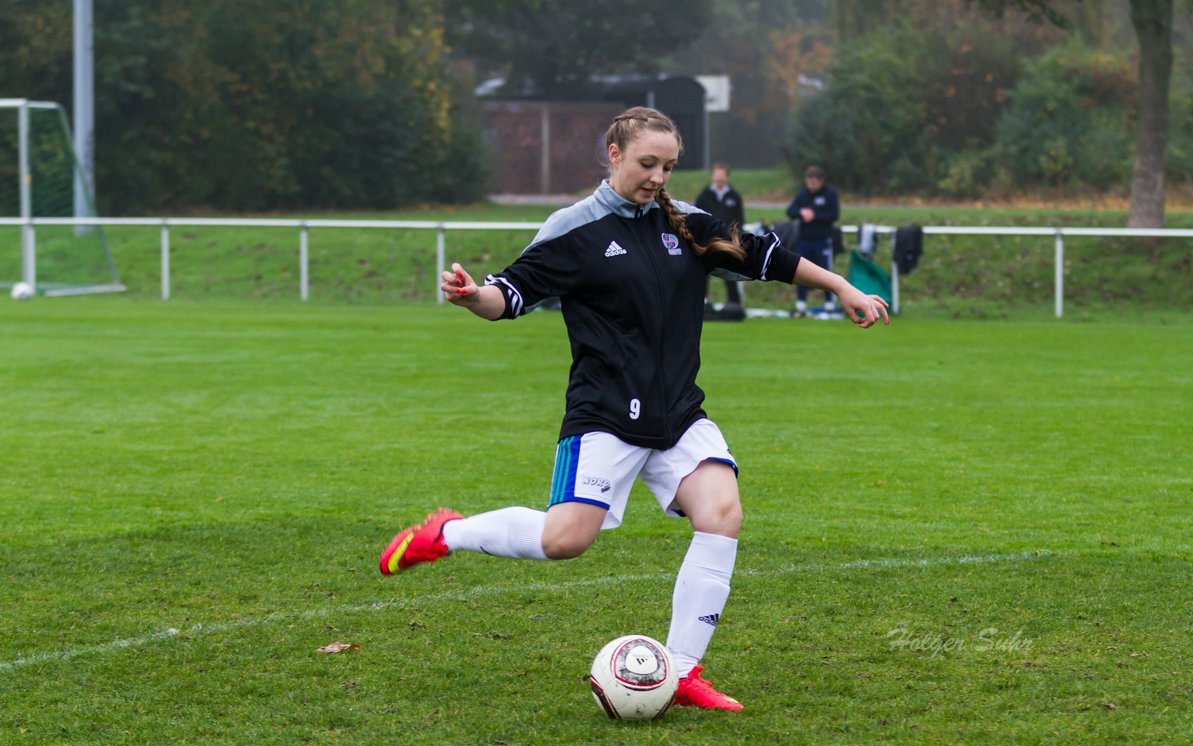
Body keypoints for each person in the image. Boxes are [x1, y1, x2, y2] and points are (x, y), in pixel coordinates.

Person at [379, 107, 888, 712]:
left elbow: (764, 258)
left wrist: (842, 287)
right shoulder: (575, 229)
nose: (658, 176)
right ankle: (448, 533)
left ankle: (683, 670)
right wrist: (472, 297)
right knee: (565, 540)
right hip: (606, 414)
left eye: (669, 166)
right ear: (615, 154)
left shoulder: (687, 222)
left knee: (722, 514)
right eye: (648, 163)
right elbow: (509, 295)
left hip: (677, 415)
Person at [785, 165, 841, 317]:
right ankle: (801, 303)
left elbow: (834, 215)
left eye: (814, 183)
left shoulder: (830, 194)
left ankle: (829, 304)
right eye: (809, 182)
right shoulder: (802, 195)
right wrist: (801, 212)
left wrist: (815, 215)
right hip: (804, 239)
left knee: (825, 271)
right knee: (800, 270)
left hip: (822, 239)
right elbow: (790, 211)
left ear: (821, 181)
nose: (811, 186)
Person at [694, 163, 746, 320]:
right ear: (712, 176)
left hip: (728, 242)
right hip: (708, 242)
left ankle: (734, 304)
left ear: (727, 176)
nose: (719, 178)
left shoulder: (734, 197)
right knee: (704, 272)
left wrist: (736, 238)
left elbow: (740, 219)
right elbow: (696, 217)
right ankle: (701, 304)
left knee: (731, 272)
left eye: (722, 175)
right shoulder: (704, 195)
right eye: (717, 175)